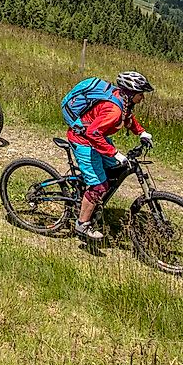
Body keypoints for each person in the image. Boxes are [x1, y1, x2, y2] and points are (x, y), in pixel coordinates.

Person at [68, 70, 154, 242]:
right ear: (130, 93)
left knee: (114, 168)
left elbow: (127, 118)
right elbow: (93, 133)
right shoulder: (114, 110)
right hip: (83, 140)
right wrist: (114, 153)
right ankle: (82, 224)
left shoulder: (122, 101)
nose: (142, 98)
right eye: (140, 94)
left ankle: (86, 193)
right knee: (99, 186)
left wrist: (142, 132)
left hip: (95, 138)